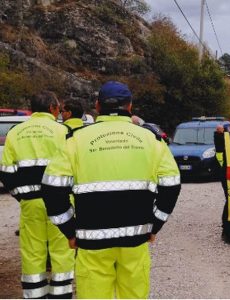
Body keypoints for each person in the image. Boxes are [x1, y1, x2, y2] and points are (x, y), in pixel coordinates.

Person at [41, 81, 181, 298]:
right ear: (130, 106)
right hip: (136, 240)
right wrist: (155, 226)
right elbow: (171, 184)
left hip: (91, 242)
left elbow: (52, 188)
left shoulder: (76, 140)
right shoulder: (151, 140)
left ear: (97, 106)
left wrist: (69, 230)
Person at [0, 91, 75, 298]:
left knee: (33, 252)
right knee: (61, 251)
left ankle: (35, 295)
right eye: (59, 108)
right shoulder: (63, 131)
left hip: (30, 204)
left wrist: (22, 196)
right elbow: (74, 167)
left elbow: (6, 171)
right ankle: (60, 294)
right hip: (60, 202)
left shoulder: (16, 132)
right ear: (52, 107)